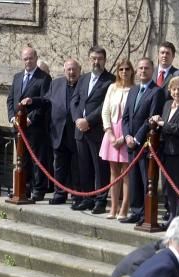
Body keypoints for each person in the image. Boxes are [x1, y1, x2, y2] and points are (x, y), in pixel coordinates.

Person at [121, 57, 166, 225]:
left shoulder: (157, 92)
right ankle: (136, 211)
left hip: (146, 145)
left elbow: (151, 119)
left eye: (146, 68)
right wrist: (127, 137)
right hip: (131, 143)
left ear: (152, 70)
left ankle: (146, 215)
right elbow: (125, 117)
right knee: (134, 180)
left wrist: (137, 138)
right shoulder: (133, 90)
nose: (142, 71)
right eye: (140, 68)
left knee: (146, 180)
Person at [71, 46, 115, 214]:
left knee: (100, 169)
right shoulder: (83, 79)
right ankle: (87, 198)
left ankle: (100, 200)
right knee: (84, 167)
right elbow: (74, 100)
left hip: (96, 130)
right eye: (93, 59)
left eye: (99, 59)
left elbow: (106, 105)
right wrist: (77, 119)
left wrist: (88, 121)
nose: (96, 62)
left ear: (104, 60)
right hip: (80, 131)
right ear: (89, 60)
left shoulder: (110, 81)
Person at [6, 45, 52, 202]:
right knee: (21, 159)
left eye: (31, 58)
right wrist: (12, 118)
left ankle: (38, 189)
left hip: (35, 128)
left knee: (36, 159)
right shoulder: (17, 77)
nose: (28, 61)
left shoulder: (44, 78)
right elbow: (11, 100)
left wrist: (30, 119)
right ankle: (22, 188)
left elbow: (45, 102)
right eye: (25, 58)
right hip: (18, 127)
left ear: (36, 58)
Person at [151, 76, 179, 221]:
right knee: (167, 187)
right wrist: (155, 122)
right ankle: (171, 215)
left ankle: (178, 219)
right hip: (165, 152)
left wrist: (163, 124)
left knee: (178, 188)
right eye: (173, 89)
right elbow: (163, 126)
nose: (176, 92)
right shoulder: (167, 104)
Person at [98, 59, 134, 221]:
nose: (124, 72)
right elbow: (105, 112)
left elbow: (135, 117)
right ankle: (113, 207)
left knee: (126, 173)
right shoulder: (112, 88)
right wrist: (110, 134)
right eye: (121, 69)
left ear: (132, 71)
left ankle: (125, 207)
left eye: (127, 69)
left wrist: (123, 137)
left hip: (126, 133)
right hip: (111, 131)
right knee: (113, 171)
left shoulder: (134, 89)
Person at [47, 58, 82, 206]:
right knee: (59, 165)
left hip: (76, 133)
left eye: (74, 69)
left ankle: (76, 194)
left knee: (77, 166)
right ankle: (60, 193)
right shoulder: (55, 84)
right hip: (59, 132)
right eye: (69, 69)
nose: (71, 72)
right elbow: (45, 102)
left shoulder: (84, 84)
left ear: (79, 70)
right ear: (64, 71)